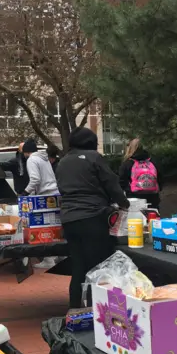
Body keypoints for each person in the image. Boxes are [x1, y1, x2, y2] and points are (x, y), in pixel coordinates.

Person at [56, 127, 130, 308]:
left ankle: (74, 309)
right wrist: (124, 204)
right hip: (92, 217)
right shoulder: (94, 158)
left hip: (69, 219)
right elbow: (111, 183)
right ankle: (96, 310)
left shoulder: (62, 162)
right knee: (98, 267)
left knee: (78, 266)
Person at [118, 138, 162, 209]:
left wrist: (129, 192)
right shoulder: (153, 161)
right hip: (153, 199)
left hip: (134, 200)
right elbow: (160, 179)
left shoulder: (127, 163)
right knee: (154, 218)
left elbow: (121, 182)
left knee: (135, 219)